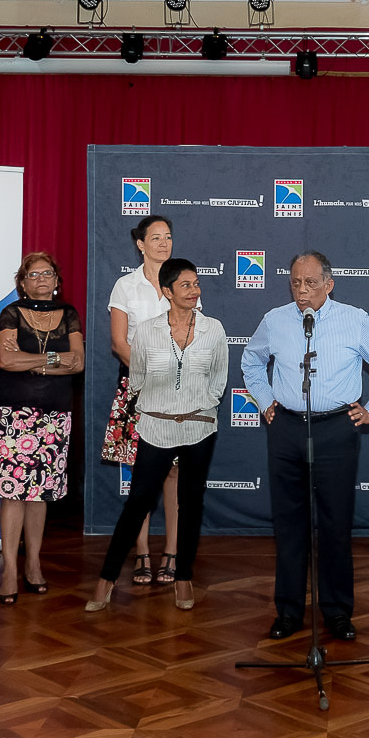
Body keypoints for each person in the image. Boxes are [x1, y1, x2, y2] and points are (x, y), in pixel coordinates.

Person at [242, 250, 369, 641]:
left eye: (311, 283)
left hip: (336, 430)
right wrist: (265, 402)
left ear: (329, 285)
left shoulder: (354, 319)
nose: (302, 291)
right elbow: (251, 362)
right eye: (296, 282)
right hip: (286, 430)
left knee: (334, 525)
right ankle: (289, 612)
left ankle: (336, 612)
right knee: (289, 525)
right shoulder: (275, 320)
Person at [88, 258, 227, 613]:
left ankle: (183, 578)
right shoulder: (147, 331)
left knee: (192, 503)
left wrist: (198, 406)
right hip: (155, 426)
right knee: (138, 503)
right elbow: (136, 379)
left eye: (196, 284)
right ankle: (105, 579)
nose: (194, 290)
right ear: (166, 292)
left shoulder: (214, 329)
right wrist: (162, 406)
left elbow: (219, 380)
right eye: (185, 285)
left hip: (199, 428)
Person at [0, 251, 84, 604]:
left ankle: (34, 564)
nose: (41, 278)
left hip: (53, 413)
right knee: (12, 492)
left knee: (40, 494)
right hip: (11, 413)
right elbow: (6, 360)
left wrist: (33, 364)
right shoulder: (11, 313)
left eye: (48, 273)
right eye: (33, 274)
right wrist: (50, 361)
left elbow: (77, 363)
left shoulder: (69, 314)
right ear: (22, 282)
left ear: (57, 280)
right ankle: (10, 568)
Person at [107, 215, 184, 586]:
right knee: (141, 473)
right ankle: (141, 552)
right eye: (155, 237)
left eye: (167, 237)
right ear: (140, 243)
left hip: (179, 391)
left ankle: (171, 552)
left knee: (173, 472)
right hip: (138, 388)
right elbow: (119, 344)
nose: (163, 243)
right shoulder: (125, 286)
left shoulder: (182, 281)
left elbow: (193, 336)